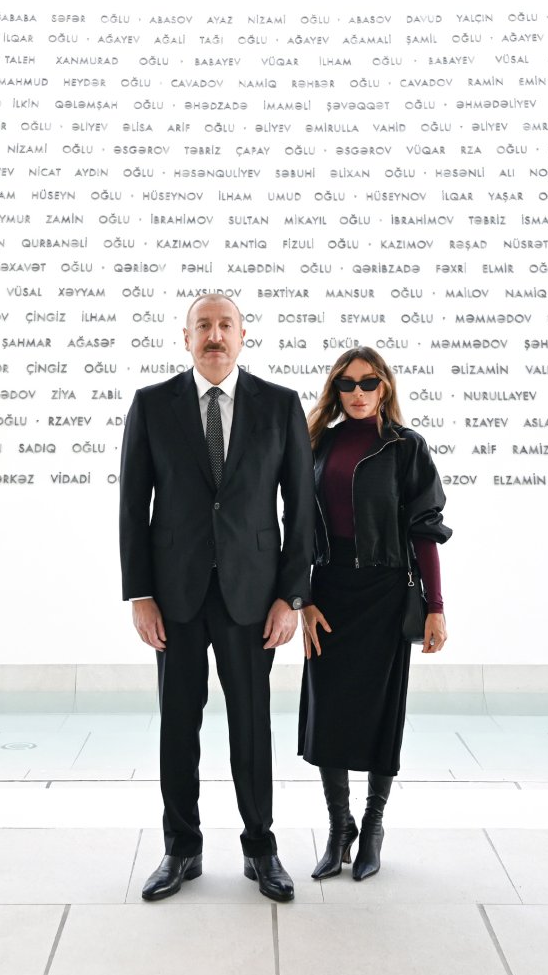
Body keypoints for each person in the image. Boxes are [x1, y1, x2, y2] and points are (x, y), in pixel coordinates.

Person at [118, 292, 315, 902]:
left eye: (224, 324)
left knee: (251, 727)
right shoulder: (152, 405)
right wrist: (140, 594)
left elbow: (300, 512)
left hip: (253, 599)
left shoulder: (280, 406)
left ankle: (262, 848)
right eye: (202, 325)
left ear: (242, 334)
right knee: (178, 725)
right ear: (185, 337)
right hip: (174, 598)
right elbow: (132, 506)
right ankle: (182, 849)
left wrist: (292, 597)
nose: (214, 335)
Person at [298, 346, 450, 881]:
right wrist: (304, 598)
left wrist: (435, 607)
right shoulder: (318, 443)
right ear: (335, 390)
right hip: (330, 592)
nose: (357, 393)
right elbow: (296, 528)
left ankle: (373, 823)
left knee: (383, 711)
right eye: (346, 384)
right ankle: (340, 828)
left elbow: (425, 531)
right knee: (328, 712)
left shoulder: (406, 448)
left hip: (385, 594)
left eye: (368, 382)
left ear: (384, 386)